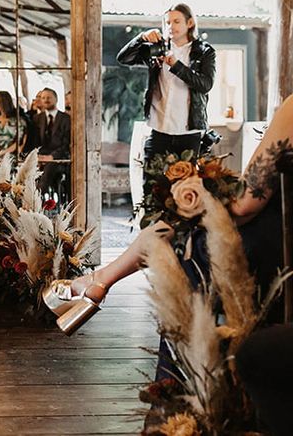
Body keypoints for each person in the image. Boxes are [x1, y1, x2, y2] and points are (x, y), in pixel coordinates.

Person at [43, 93, 293, 335]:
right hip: (279, 245)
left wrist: (197, 194)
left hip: (276, 251)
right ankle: (100, 280)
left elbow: (245, 204)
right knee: (184, 217)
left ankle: (100, 282)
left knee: (186, 232)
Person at [117, 4, 215, 166]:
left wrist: (176, 66)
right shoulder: (157, 49)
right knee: (151, 187)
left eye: (176, 21)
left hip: (189, 133)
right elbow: (123, 58)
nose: (171, 26)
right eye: (168, 22)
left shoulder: (204, 52)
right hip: (158, 130)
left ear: (189, 23)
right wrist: (141, 37)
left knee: (185, 188)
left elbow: (205, 85)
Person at [34, 88, 71, 200]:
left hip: (58, 158)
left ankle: (37, 199)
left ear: (56, 99)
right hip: (40, 157)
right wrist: (38, 156)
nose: (46, 100)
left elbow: (66, 144)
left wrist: (51, 157)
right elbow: (34, 142)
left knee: (49, 167)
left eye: (49, 97)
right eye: (43, 98)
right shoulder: (36, 118)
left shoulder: (65, 119)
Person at [0, 91, 26, 157]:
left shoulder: (18, 120)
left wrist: (4, 152)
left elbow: (18, 141)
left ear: (4, 101)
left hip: (11, 155)